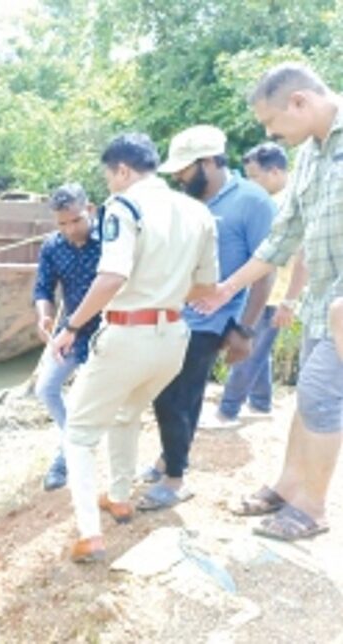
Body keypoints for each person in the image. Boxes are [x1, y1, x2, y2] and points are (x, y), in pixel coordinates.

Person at [49, 132, 218, 562]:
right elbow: (205, 286)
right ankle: (119, 496)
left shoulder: (124, 207)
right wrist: (165, 291)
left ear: (122, 170)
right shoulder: (198, 211)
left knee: (79, 435)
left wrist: (71, 326)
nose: (109, 185)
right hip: (174, 337)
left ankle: (90, 535)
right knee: (127, 413)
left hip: (127, 334)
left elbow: (112, 276)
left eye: (109, 177)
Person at [194, 62, 343, 541]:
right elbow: (284, 235)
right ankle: (289, 485)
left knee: (321, 394)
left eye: (271, 122)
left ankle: (312, 508)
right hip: (322, 301)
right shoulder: (311, 155)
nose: (269, 135)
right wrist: (226, 287)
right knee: (306, 400)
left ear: (299, 101)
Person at [138, 125, 277, 511]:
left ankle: (175, 480)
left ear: (210, 162)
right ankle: (169, 458)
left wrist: (244, 328)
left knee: (177, 395)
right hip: (174, 311)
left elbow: (265, 270)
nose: (179, 177)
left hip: (215, 317)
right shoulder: (188, 202)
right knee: (171, 392)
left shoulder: (252, 202)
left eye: (185, 169)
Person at [204, 143, 295, 427]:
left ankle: (228, 410)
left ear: (275, 171)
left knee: (249, 348)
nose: (250, 183)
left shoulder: (285, 204)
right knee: (259, 344)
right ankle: (260, 402)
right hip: (264, 287)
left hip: (275, 290)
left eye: (255, 176)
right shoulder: (271, 199)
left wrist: (290, 299)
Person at [32, 183, 101, 491]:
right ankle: (71, 443)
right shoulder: (52, 246)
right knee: (46, 388)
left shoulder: (111, 242)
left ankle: (66, 458)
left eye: (76, 220)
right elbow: (43, 288)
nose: (71, 229)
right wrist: (44, 315)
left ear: (90, 210)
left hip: (110, 331)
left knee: (84, 399)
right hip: (72, 332)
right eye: (63, 223)